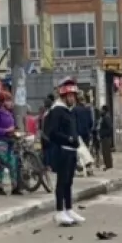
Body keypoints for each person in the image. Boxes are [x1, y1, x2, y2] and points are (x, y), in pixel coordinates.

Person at [43, 77, 85, 226]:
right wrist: (68, 139)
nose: (72, 98)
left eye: (73, 96)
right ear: (63, 96)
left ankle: (69, 209)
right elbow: (52, 133)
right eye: (69, 96)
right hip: (61, 151)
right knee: (61, 182)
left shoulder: (70, 111)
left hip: (71, 151)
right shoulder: (57, 111)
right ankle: (59, 211)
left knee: (69, 182)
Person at [0, 91, 21, 195]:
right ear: (2, 101)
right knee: (10, 162)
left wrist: (15, 129)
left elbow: (13, 125)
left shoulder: (9, 112)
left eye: (10, 100)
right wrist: (6, 130)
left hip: (10, 140)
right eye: (8, 100)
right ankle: (15, 186)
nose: (10, 102)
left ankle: (0, 188)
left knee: (2, 164)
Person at [98, 105, 114, 170]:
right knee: (105, 152)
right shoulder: (104, 117)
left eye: (101, 110)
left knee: (106, 152)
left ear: (104, 110)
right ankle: (107, 165)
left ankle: (108, 166)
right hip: (104, 137)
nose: (100, 111)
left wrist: (103, 134)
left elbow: (110, 128)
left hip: (106, 137)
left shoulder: (106, 117)